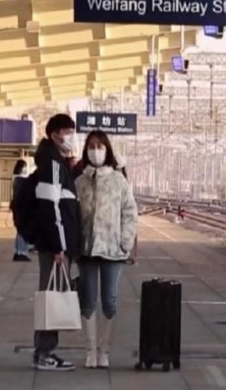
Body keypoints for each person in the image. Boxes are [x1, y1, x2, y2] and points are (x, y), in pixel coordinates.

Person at [75, 130, 137, 369]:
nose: (96, 151)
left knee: (109, 300)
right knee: (88, 300)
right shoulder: (80, 181)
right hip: (86, 250)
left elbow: (130, 212)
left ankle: (104, 350)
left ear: (107, 150)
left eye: (100, 146)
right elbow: (72, 214)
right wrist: (73, 243)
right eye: (91, 146)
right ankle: (90, 350)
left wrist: (125, 242)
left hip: (113, 249)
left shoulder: (119, 181)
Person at [31, 113, 82, 371]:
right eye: (67, 132)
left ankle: (45, 351)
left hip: (57, 244)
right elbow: (50, 207)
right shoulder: (51, 163)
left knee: (52, 295)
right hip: (55, 247)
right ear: (54, 135)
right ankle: (44, 353)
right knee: (51, 297)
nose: (71, 137)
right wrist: (58, 246)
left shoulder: (56, 161)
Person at [11, 159, 31, 262]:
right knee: (23, 230)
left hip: (17, 207)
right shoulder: (22, 180)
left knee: (20, 230)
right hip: (22, 208)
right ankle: (22, 252)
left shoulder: (16, 179)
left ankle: (17, 251)